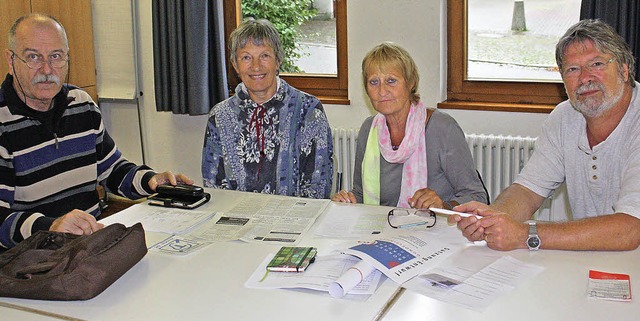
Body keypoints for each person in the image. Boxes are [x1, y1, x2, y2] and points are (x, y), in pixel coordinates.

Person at [0, 14, 193, 250]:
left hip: (90, 249)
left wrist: (151, 181)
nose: (47, 69)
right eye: (33, 57)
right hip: (31, 262)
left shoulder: (81, 104)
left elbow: (112, 170)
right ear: (11, 61)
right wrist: (50, 227)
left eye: (56, 56)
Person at [452, 19, 640, 251]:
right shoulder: (564, 116)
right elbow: (528, 191)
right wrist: (491, 220)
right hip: (591, 258)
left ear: (624, 69)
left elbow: (631, 229)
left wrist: (524, 235)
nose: (585, 77)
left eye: (597, 64)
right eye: (572, 69)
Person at [332, 42, 488, 209]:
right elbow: (361, 193)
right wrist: (348, 200)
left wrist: (444, 206)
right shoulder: (369, 130)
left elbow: (478, 197)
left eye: (391, 81)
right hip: (384, 229)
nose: (382, 91)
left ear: (411, 82)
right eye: (374, 82)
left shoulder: (442, 128)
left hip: (435, 229)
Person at [202, 19, 333, 199]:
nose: (256, 66)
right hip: (236, 220)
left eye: (264, 56)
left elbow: (318, 186)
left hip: (295, 220)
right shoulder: (219, 116)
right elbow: (213, 186)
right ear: (235, 65)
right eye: (246, 57)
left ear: (277, 60)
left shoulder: (309, 111)